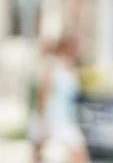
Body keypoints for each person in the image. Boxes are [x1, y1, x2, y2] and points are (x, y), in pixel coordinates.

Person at [31, 35, 89, 163]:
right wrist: (42, 123)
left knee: (77, 155)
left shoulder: (72, 68)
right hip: (55, 118)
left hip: (68, 118)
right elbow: (43, 95)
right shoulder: (53, 67)